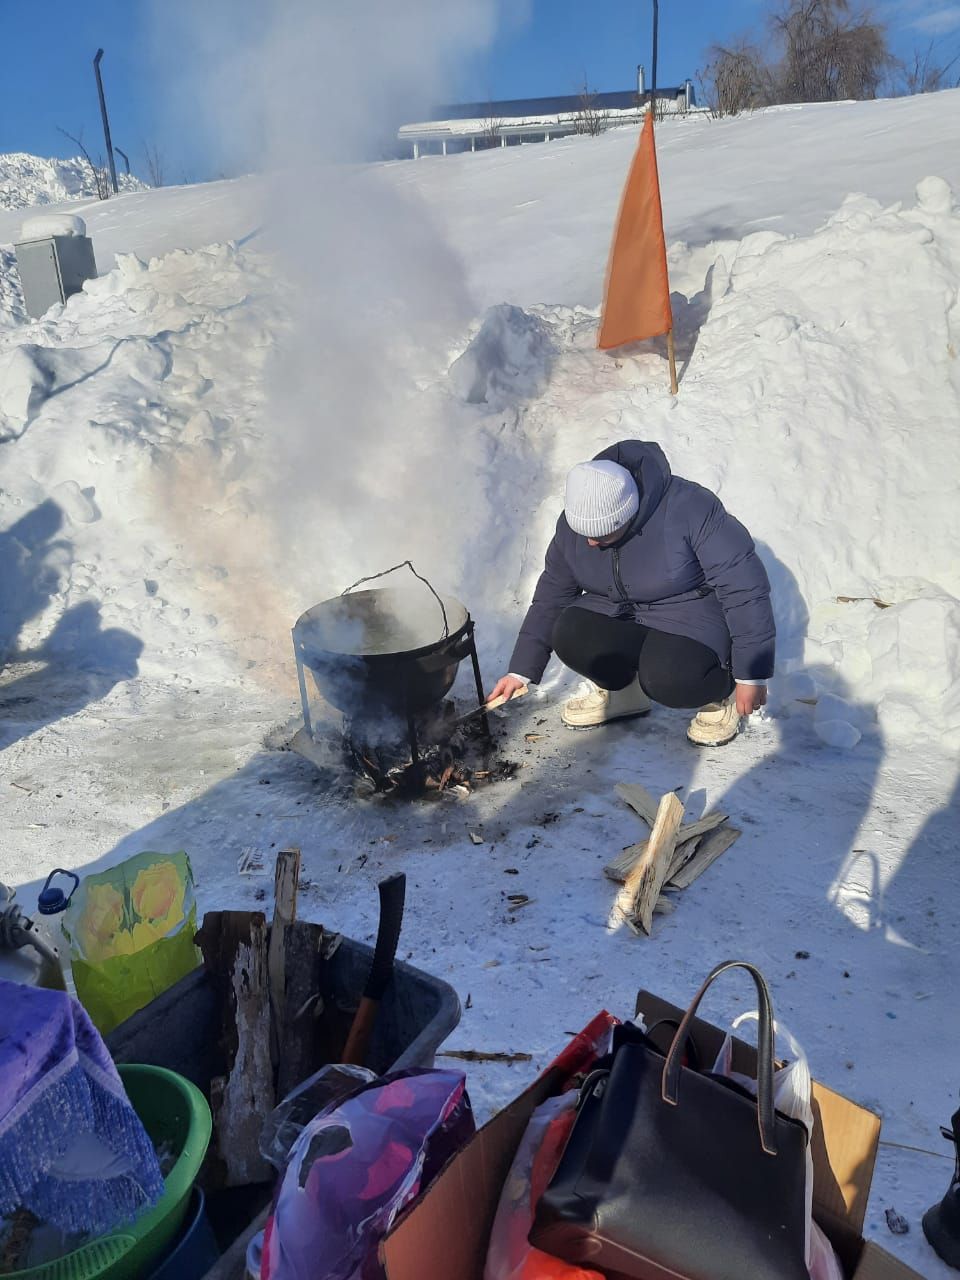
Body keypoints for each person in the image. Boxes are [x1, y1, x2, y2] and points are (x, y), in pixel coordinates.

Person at [489, 440, 774, 745]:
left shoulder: (690, 508)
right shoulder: (580, 519)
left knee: (667, 677)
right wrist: (520, 671)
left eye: (601, 534)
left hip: (690, 615)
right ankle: (624, 694)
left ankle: (722, 693)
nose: (590, 543)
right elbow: (552, 595)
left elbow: (745, 587)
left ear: (627, 516)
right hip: (619, 610)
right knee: (570, 632)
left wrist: (749, 673)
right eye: (583, 532)